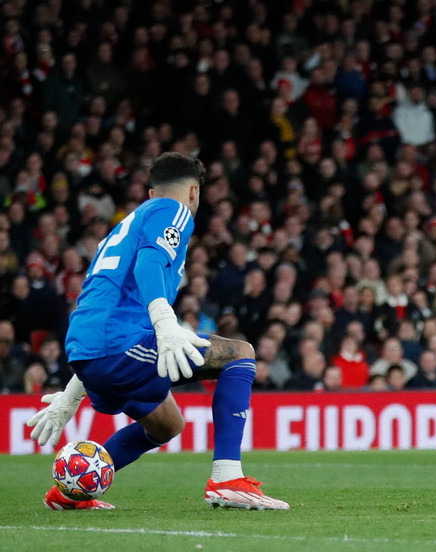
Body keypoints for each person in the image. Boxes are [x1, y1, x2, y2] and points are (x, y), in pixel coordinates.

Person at [27, 153, 288, 510]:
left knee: (166, 424)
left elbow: (102, 308)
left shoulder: (123, 228)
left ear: (150, 192)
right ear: (194, 191)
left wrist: (73, 392)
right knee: (239, 354)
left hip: (88, 350)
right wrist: (165, 323)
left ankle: (71, 493)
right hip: (120, 343)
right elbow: (151, 262)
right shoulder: (173, 210)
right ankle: (227, 478)